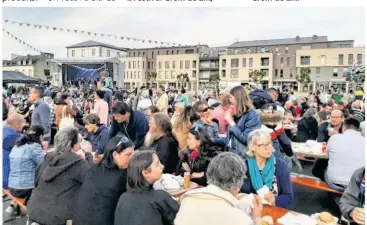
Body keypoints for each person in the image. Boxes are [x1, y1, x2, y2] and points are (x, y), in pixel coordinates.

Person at [175, 152, 263, 225]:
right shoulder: (241, 220)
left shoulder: (186, 199)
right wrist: (256, 220)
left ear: (209, 173)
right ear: (238, 183)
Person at [27, 127, 92, 225]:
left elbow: (36, 181)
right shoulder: (78, 164)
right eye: (79, 141)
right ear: (72, 144)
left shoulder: (46, 159)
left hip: (34, 209)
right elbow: (92, 180)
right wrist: (88, 155)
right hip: (58, 217)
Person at [73, 136, 134, 225]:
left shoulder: (95, 168)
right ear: (115, 155)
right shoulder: (123, 175)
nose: (131, 159)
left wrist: (88, 154)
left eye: (132, 154)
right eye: (128, 155)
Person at [114, 150, 179, 225]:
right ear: (145, 173)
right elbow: (181, 218)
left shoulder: (122, 198)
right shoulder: (160, 197)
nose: (162, 166)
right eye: (157, 164)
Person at [241, 129, 293, 209]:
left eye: (269, 143)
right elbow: (237, 192)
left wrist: (275, 200)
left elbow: (288, 196)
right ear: (252, 147)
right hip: (250, 210)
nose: (267, 148)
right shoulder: (243, 166)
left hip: (273, 210)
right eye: (261, 145)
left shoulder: (281, 165)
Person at [324, 117, 365, 192]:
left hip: (334, 182)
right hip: (357, 185)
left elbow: (326, 156)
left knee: (324, 166)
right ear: (358, 129)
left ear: (343, 127)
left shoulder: (334, 138)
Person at [8, 125, 45, 205]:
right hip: (25, 188)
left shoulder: (17, 146)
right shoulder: (34, 147)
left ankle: (12, 206)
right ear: (41, 136)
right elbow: (44, 164)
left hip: (12, 186)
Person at [225, 86, 262, 157]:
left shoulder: (252, 115)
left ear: (237, 99)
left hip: (244, 157)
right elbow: (231, 138)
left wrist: (232, 123)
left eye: (231, 97)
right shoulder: (236, 114)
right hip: (232, 155)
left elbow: (247, 139)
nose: (229, 100)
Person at [3, 113, 25, 189]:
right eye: (23, 123)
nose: (24, 125)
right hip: (7, 179)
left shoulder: (5, 131)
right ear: (17, 125)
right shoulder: (11, 137)